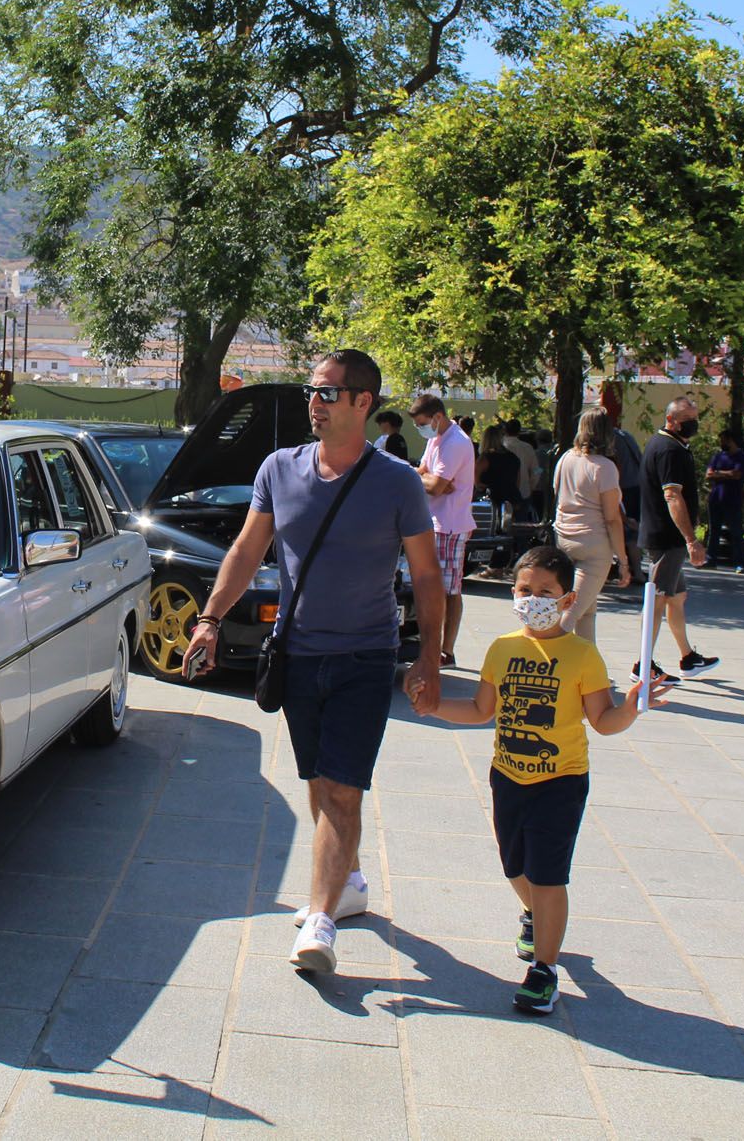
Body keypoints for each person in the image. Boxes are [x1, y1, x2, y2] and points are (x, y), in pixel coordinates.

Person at [182, 349, 442, 977]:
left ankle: (322, 919)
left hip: (365, 653)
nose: (315, 402)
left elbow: (429, 576)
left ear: (363, 403)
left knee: (343, 789)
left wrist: (429, 655)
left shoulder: (398, 481)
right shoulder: (279, 469)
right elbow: (247, 550)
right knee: (319, 785)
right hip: (297, 652)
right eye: (312, 391)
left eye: (328, 392)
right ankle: (347, 883)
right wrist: (211, 620)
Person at [414, 544, 668, 1015]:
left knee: (549, 877)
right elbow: (478, 710)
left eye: (545, 592)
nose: (534, 599)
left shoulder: (582, 656)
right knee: (516, 869)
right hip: (507, 776)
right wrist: (434, 707)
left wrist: (632, 704)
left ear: (567, 600)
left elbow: (604, 721)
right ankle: (534, 915)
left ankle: (543, 971)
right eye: (525, 590)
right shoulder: (502, 649)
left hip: (561, 783)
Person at [638, 398, 719, 678]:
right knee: (658, 599)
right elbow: (672, 495)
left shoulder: (671, 446)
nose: (693, 424)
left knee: (677, 597)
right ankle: (643, 665)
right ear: (671, 420)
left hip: (667, 537)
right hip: (667, 538)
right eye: (687, 419)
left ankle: (687, 657)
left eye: (695, 417)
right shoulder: (669, 449)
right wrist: (691, 539)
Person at [552, 407, 633, 645]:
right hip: (593, 544)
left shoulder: (566, 458)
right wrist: (623, 561)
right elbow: (612, 518)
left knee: (586, 610)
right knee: (572, 613)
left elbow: (557, 493)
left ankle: (589, 670)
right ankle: (546, 663)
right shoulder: (604, 467)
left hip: (564, 537)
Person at [409, 392, 476, 668]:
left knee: (447, 590)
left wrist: (426, 479)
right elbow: (425, 474)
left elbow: (437, 486)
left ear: (437, 417)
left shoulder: (455, 442)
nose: (421, 430)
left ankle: (444, 651)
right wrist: (424, 477)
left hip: (449, 525)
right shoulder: (437, 439)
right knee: (435, 588)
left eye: (423, 423)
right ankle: (437, 648)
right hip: (434, 521)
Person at [705, 428, 744, 573]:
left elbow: (737, 474)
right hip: (715, 498)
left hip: (733, 499)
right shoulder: (718, 456)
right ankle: (711, 560)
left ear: (731, 440)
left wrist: (718, 473)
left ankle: (739, 563)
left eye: (723, 440)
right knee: (714, 531)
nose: (721, 443)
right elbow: (708, 475)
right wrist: (726, 474)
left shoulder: (741, 457)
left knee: (736, 532)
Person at [479, 425, 523, 534]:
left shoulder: (484, 458)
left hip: (492, 505)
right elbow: (517, 482)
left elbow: (476, 483)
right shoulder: (513, 457)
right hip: (513, 501)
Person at [501, 423, 540, 518]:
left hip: (502, 492)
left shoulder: (500, 446)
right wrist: (531, 486)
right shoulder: (528, 447)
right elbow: (537, 470)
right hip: (524, 491)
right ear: (519, 431)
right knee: (521, 525)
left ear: (505, 431)